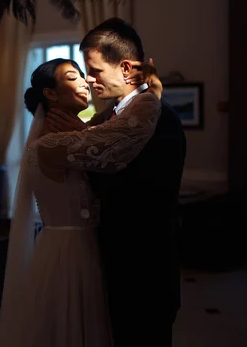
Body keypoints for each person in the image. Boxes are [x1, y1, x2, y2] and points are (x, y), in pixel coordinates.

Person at [0, 57, 163, 347]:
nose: (85, 81)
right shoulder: (49, 146)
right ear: (50, 93)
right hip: (68, 254)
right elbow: (113, 145)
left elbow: (103, 129)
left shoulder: (65, 138)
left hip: (80, 247)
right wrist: (153, 94)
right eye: (74, 76)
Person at [46, 18, 187, 346]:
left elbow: (139, 196)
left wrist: (76, 146)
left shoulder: (159, 119)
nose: (88, 79)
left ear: (126, 68)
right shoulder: (108, 118)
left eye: (94, 70)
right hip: (109, 268)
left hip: (144, 274)